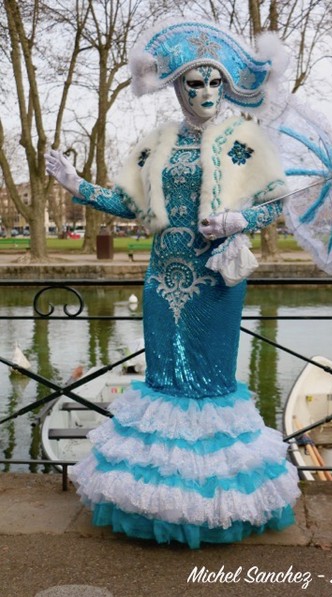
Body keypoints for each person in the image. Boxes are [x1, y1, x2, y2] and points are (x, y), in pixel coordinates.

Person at [45, 20, 300, 549]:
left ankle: (214, 506)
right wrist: (79, 187)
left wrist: (238, 222)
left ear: (227, 86)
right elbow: (132, 205)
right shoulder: (156, 143)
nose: (204, 93)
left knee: (209, 383)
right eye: (193, 83)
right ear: (178, 88)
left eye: (213, 82)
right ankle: (160, 504)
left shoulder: (244, 140)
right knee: (165, 380)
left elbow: (276, 202)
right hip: (164, 279)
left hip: (215, 282)